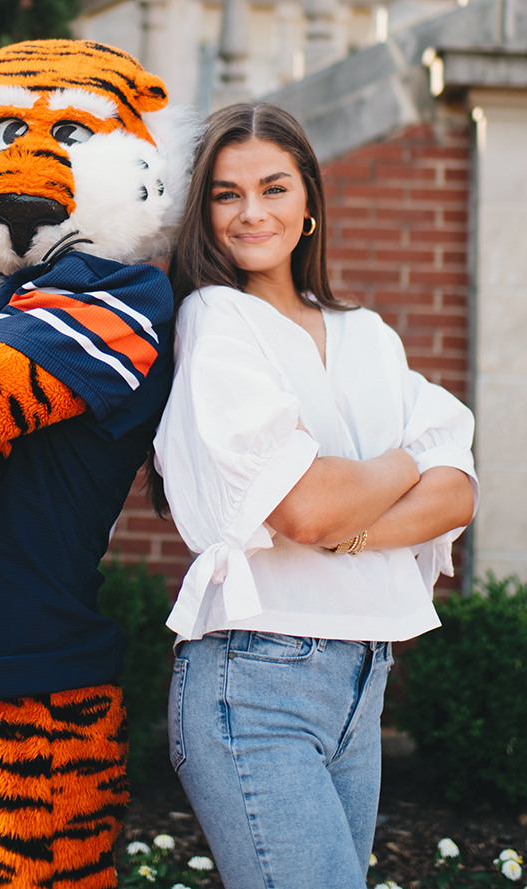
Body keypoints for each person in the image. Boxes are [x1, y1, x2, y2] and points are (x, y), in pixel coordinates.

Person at [151, 102, 477, 889]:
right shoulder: (215, 320)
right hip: (254, 684)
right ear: (205, 211)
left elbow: (459, 491)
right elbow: (307, 508)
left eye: (273, 187)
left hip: (360, 688)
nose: (252, 211)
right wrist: (405, 458)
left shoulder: (370, 335)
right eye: (227, 194)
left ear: (309, 204)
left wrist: (356, 517)